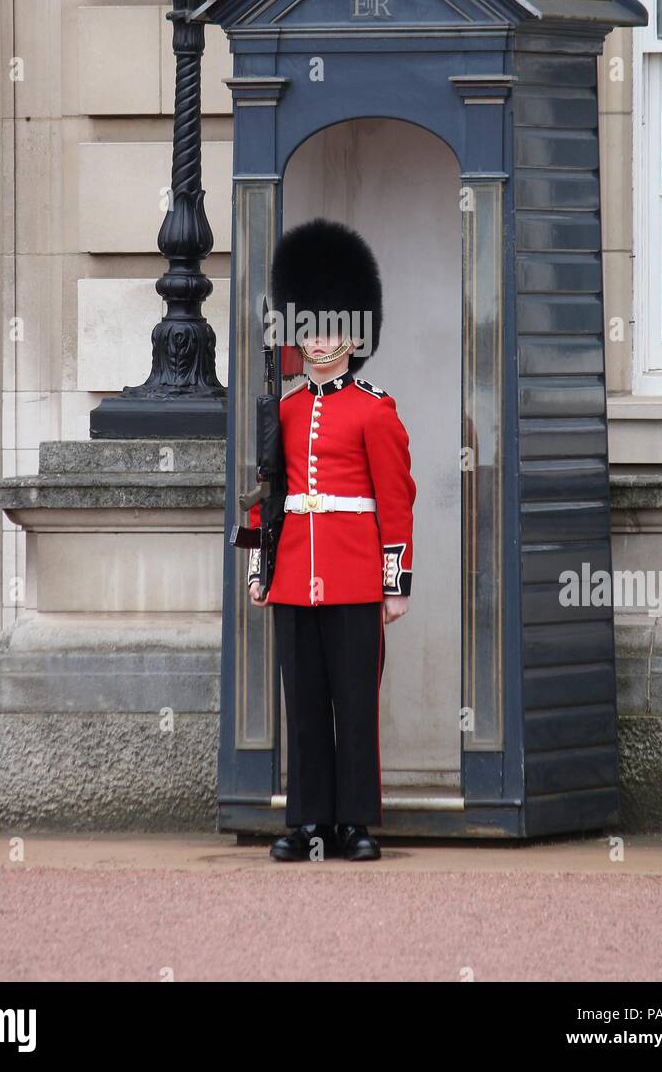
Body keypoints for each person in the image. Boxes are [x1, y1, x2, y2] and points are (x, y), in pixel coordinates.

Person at [247, 218, 416, 862]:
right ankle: (309, 821)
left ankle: (356, 823)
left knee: (355, 704)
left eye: (332, 329)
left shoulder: (375, 409)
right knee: (305, 709)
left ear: (355, 336)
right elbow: (275, 498)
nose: (320, 342)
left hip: (351, 577)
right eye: (310, 328)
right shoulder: (285, 410)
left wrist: (393, 584)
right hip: (294, 577)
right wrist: (263, 569)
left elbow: (396, 502)